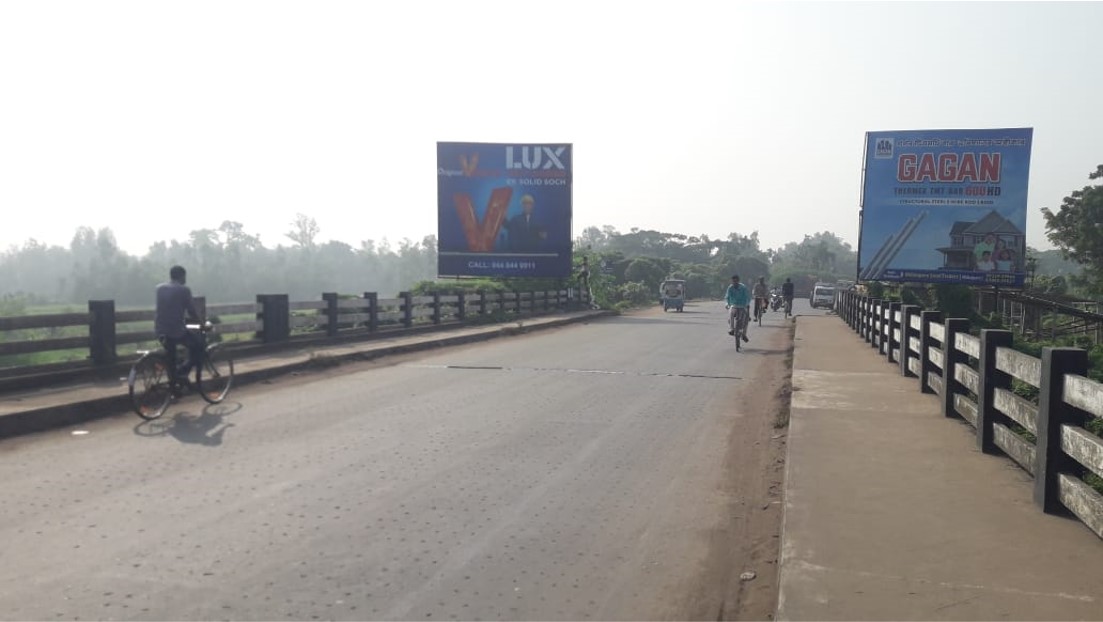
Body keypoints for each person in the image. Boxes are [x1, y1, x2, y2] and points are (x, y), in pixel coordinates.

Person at [155, 265, 203, 389]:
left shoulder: (159, 288)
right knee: (198, 347)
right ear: (182, 276)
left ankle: (174, 386)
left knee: (171, 357)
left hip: (160, 329)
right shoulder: (184, 290)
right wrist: (201, 324)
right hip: (176, 331)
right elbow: (191, 311)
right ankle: (182, 372)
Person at [725, 274, 751, 342]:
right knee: (731, 313)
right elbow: (727, 297)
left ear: (738, 281)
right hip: (734, 305)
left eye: (736, 281)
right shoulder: (730, 288)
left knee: (746, 319)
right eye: (733, 281)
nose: (735, 283)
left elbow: (747, 297)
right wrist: (727, 304)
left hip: (743, 305)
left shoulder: (743, 287)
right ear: (732, 281)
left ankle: (744, 334)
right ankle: (732, 329)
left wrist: (747, 304)